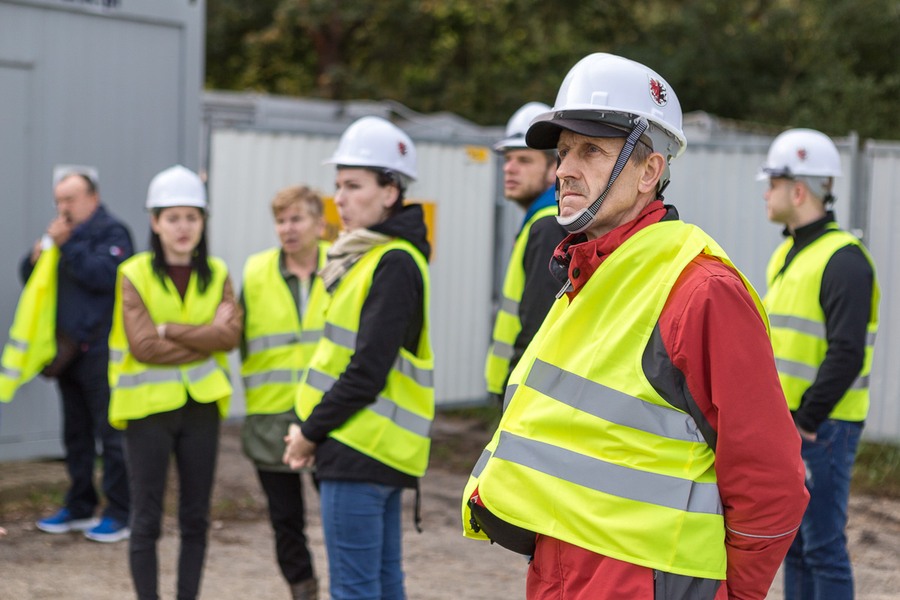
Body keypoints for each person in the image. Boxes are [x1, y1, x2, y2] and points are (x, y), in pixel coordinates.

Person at [461, 53, 810, 600]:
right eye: (562, 151)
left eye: (592, 150)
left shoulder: (701, 291)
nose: (564, 170)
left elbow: (772, 483)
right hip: (564, 574)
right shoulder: (589, 272)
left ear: (650, 171)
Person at [283, 116, 434, 600]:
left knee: (355, 591)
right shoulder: (375, 256)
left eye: (353, 186)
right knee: (383, 587)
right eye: (338, 186)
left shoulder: (391, 261)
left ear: (390, 191)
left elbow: (366, 371)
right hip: (372, 450)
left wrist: (309, 433)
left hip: (359, 448)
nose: (340, 199)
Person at [107, 165, 242, 600]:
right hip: (147, 410)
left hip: (201, 408)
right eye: (173, 217)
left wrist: (171, 330)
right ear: (155, 222)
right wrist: (205, 337)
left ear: (203, 222)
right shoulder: (133, 273)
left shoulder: (218, 272)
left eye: (192, 217)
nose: (183, 228)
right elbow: (144, 347)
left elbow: (231, 336)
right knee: (146, 519)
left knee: (196, 518)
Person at [758, 128, 879, 600]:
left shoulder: (845, 260)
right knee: (792, 545)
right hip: (792, 425)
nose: (766, 194)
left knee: (824, 548)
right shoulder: (787, 253)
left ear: (799, 190)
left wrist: (806, 421)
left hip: (823, 429)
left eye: (772, 183)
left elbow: (846, 352)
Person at [20, 166, 134, 543]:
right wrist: (34, 259)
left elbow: (105, 275)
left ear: (93, 199)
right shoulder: (61, 234)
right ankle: (80, 506)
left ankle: (119, 513)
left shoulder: (113, 234)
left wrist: (67, 244)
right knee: (76, 436)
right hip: (67, 353)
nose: (63, 207)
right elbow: (31, 277)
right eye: (59, 201)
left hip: (102, 352)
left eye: (70, 199)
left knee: (111, 437)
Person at [239, 185, 328, 600]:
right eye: (281, 221)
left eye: (297, 219)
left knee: (339, 515)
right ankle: (302, 589)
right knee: (286, 520)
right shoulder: (255, 272)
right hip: (271, 418)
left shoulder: (344, 266)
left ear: (319, 223)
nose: (287, 229)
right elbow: (234, 334)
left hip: (329, 416)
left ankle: (347, 586)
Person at [484, 102, 567, 406]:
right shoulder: (542, 220)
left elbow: (537, 325)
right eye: (507, 159)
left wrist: (516, 391)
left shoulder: (548, 225)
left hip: (522, 392)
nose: (509, 168)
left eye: (523, 159)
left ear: (554, 167)